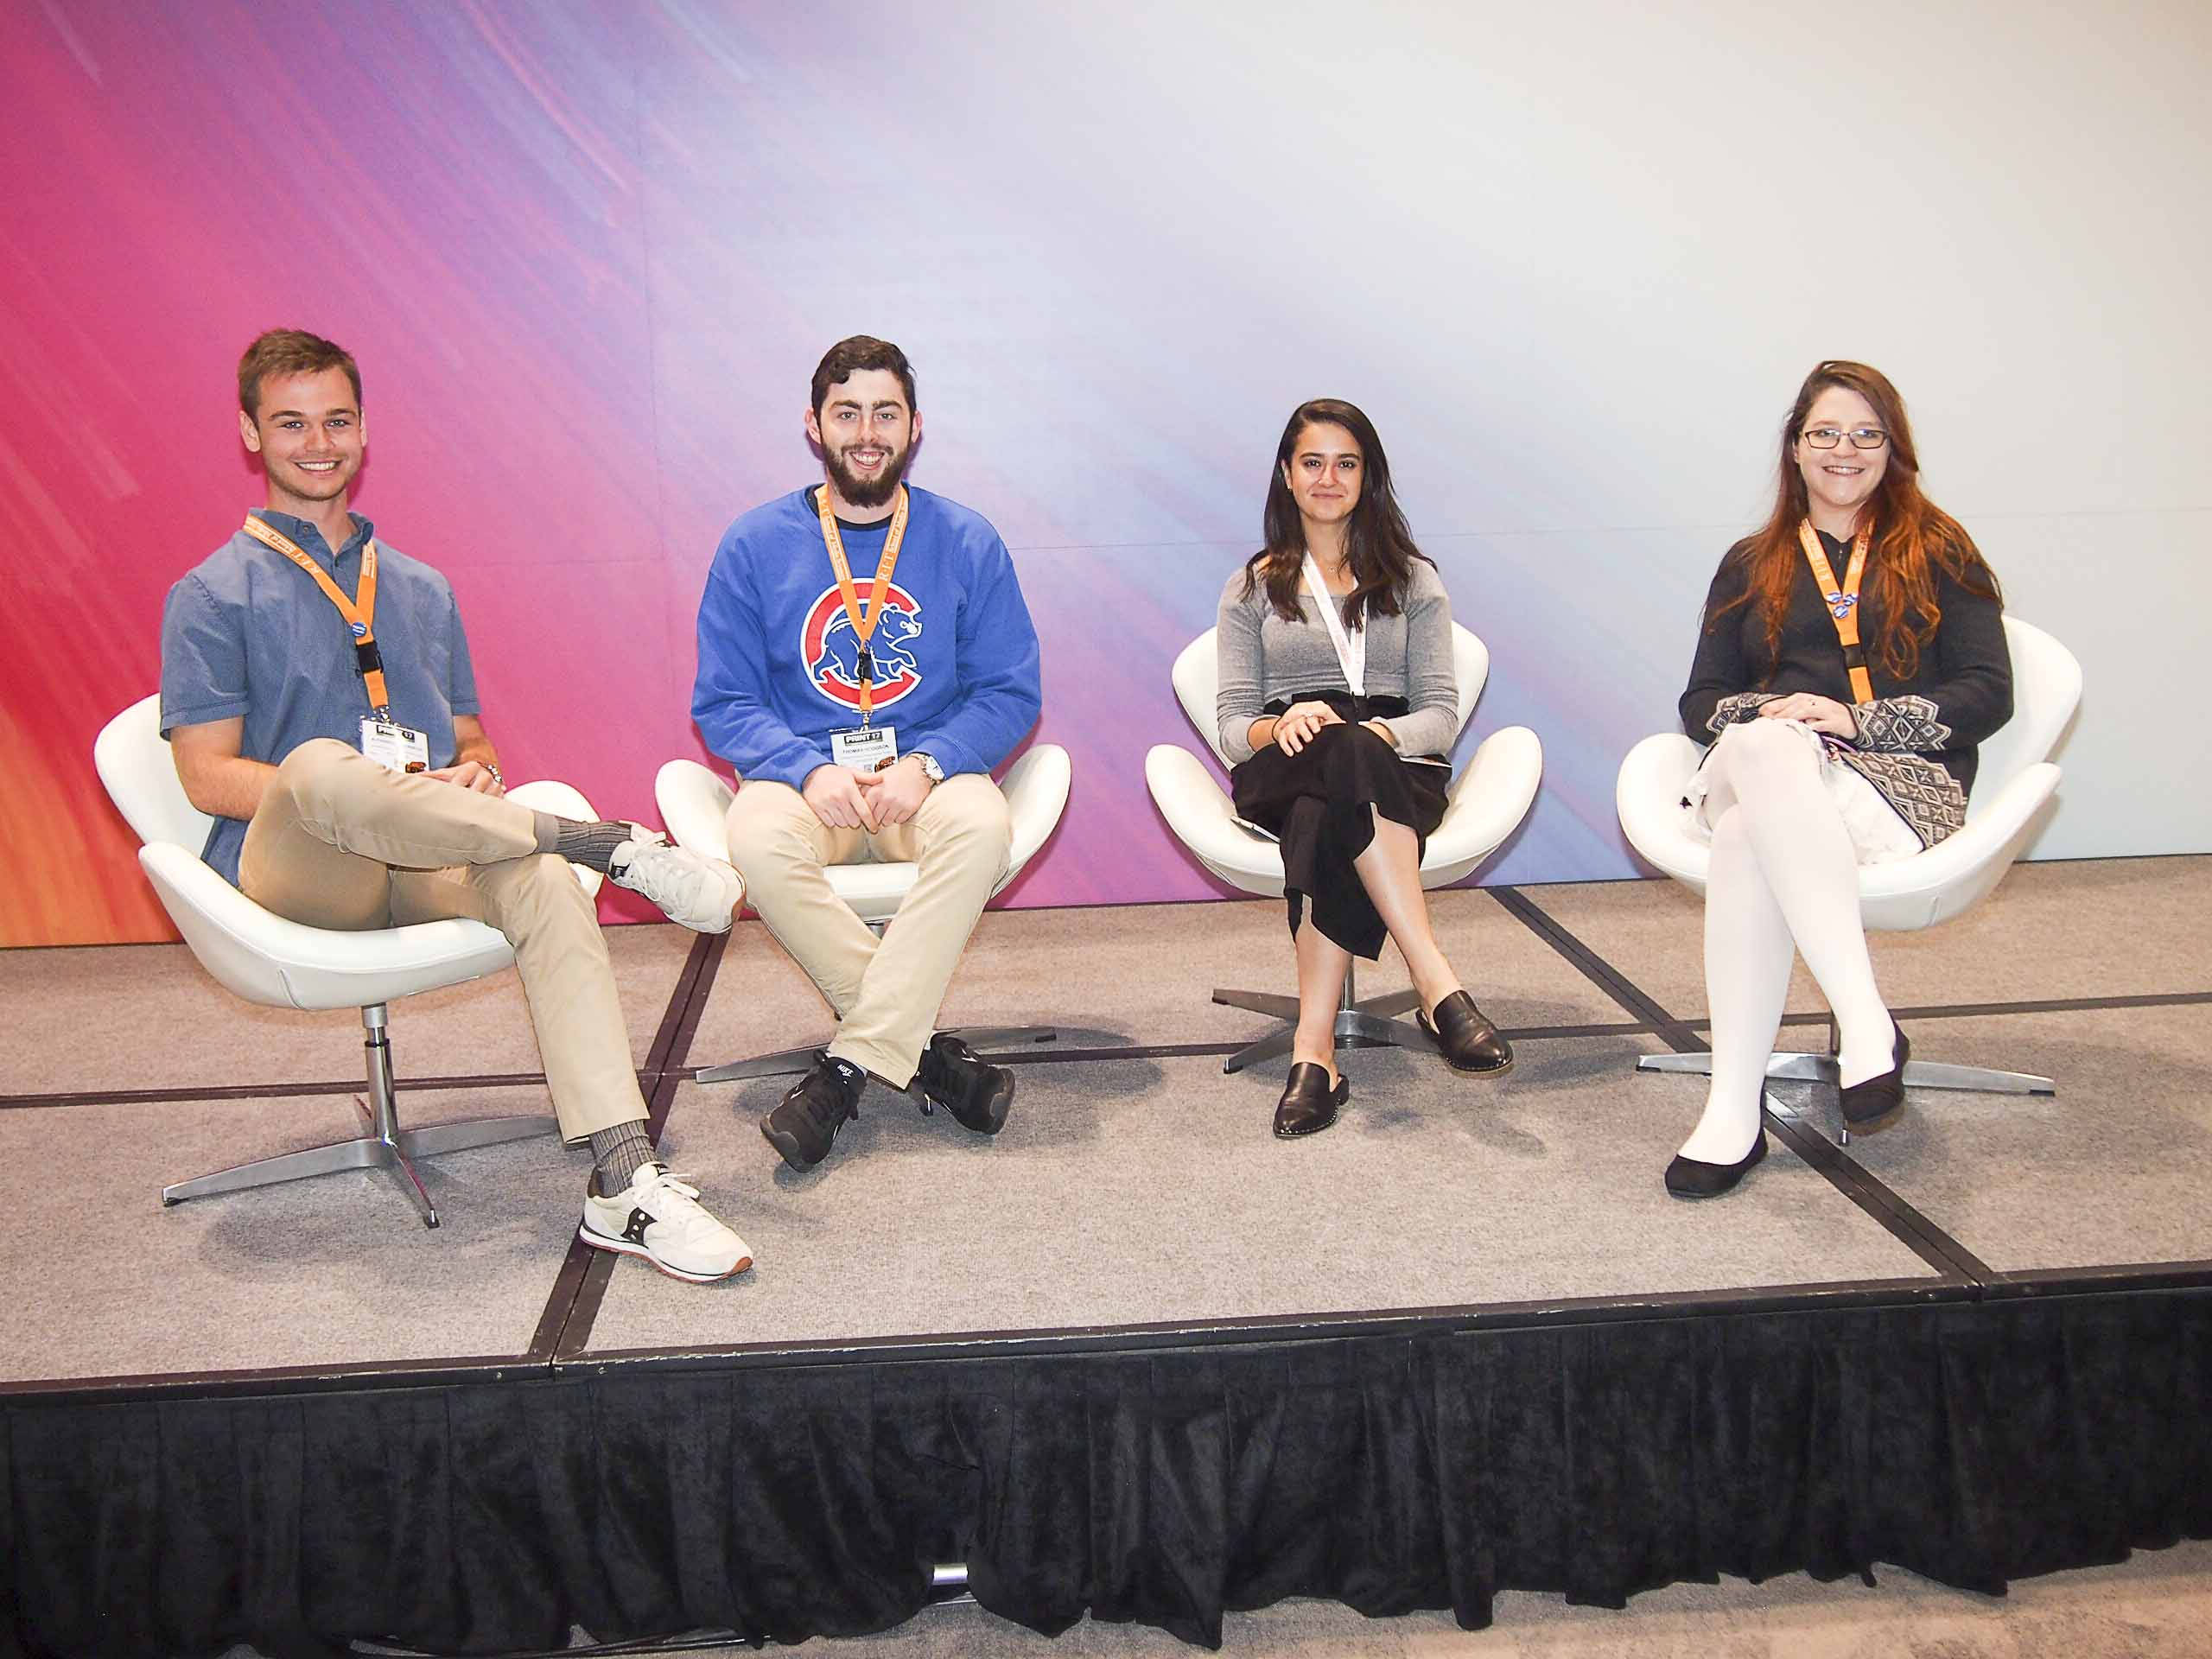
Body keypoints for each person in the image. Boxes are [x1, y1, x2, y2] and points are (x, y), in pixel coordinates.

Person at [162, 328, 753, 1282]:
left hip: (425, 859)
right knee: (320, 764)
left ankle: (623, 1180)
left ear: (363, 430)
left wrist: (469, 776)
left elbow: (474, 744)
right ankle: (603, 842)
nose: (319, 443)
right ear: (250, 432)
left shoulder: (423, 591)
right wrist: (371, 786)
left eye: (338, 420)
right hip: (299, 869)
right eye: (291, 423)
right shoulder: (209, 595)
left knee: (542, 883)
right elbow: (204, 776)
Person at [693, 336, 1042, 1171]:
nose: (867, 431)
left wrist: (928, 764)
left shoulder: (967, 539)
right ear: (814, 427)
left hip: (928, 773)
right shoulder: (753, 544)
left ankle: (850, 1065)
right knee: (754, 840)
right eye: (847, 413)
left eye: (885, 413)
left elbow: (1009, 691)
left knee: (982, 828)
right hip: (807, 776)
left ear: (914, 428)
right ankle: (921, 1054)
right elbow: (724, 702)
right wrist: (807, 768)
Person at [1667, 359, 2012, 1198]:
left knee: (1748, 832)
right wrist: (1787, 714)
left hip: (1894, 793)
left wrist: (1854, 718)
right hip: (1780, 771)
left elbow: (1987, 691)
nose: (1844, 450)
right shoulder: (1751, 563)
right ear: (1793, 449)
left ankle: (1730, 1114)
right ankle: (1864, 1021)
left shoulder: (1939, 550)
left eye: (1866, 434)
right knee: (1763, 748)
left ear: (1893, 450)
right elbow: (1700, 702)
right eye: (1824, 433)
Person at [1215, 398, 1513, 1139]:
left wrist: (1377, 733)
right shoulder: (1251, 588)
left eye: (1346, 463)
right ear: (1287, 475)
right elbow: (1230, 727)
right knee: (1328, 761)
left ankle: (1314, 1057)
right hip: (1285, 759)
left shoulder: (1413, 581)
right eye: (1312, 462)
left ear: (1368, 477)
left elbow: (1441, 715)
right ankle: (1434, 980)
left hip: (1394, 763)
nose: (1328, 477)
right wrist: (1280, 724)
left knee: (1331, 799)